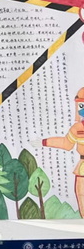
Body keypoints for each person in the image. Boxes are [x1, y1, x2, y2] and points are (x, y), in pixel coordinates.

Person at [37, 87, 84, 217]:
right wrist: (44, 142)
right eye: (81, 105)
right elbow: (66, 144)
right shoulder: (77, 128)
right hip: (82, 169)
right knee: (82, 199)